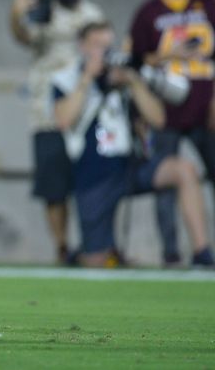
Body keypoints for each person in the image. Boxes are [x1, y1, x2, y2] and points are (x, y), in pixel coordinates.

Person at [53, 21, 214, 267]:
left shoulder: (124, 74)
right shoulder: (67, 78)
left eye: (108, 45)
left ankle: (202, 252)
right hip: (93, 174)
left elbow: (158, 119)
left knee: (184, 169)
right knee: (97, 260)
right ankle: (83, 252)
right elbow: (63, 119)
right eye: (97, 46)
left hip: (130, 167)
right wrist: (87, 77)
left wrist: (134, 82)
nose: (104, 52)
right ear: (82, 47)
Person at [9, 0, 105, 264]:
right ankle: (62, 247)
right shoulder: (45, 11)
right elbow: (24, 35)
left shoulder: (92, 14)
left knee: (89, 183)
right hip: (47, 111)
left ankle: (95, 245)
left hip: (85, 111)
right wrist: (16, 13)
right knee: (54, 187)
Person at [129, 0, 215, 267]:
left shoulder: (206, 3)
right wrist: (167, 55)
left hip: (205, 106)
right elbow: (134, 64)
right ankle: (171, 252)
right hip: (165, 112)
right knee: (166, 181)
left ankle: (203, 249)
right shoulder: (147, 12)